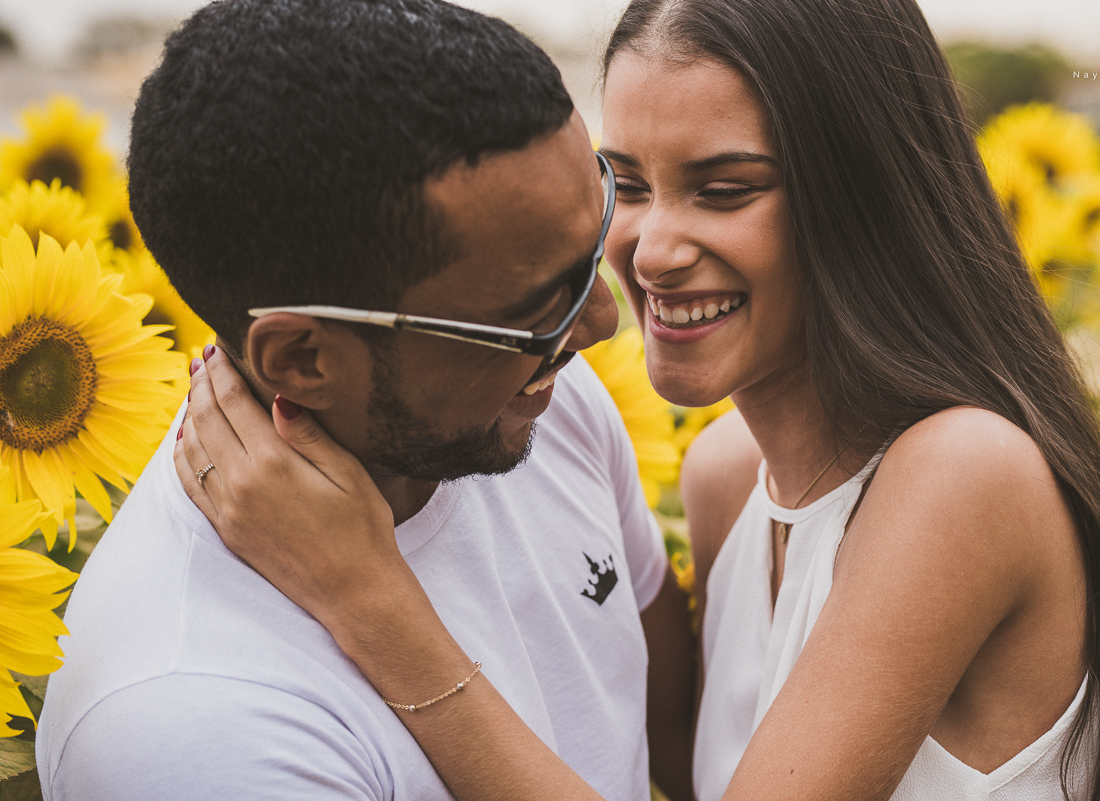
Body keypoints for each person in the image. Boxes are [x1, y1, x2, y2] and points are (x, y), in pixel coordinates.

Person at [176, 0, 1100, 800]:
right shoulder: (724, 478)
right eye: (624, 181)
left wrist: (368, 597)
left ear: (868, 195)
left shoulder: (962, 475)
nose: (649, 250)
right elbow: (673, 752)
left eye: (724, 188)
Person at [34, 1, 697, 799]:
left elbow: (677, 736)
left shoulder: (544, 400)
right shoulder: (195, 722)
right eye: (535, 310)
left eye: (592, 242)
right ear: (303, 357)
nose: (599, 322)